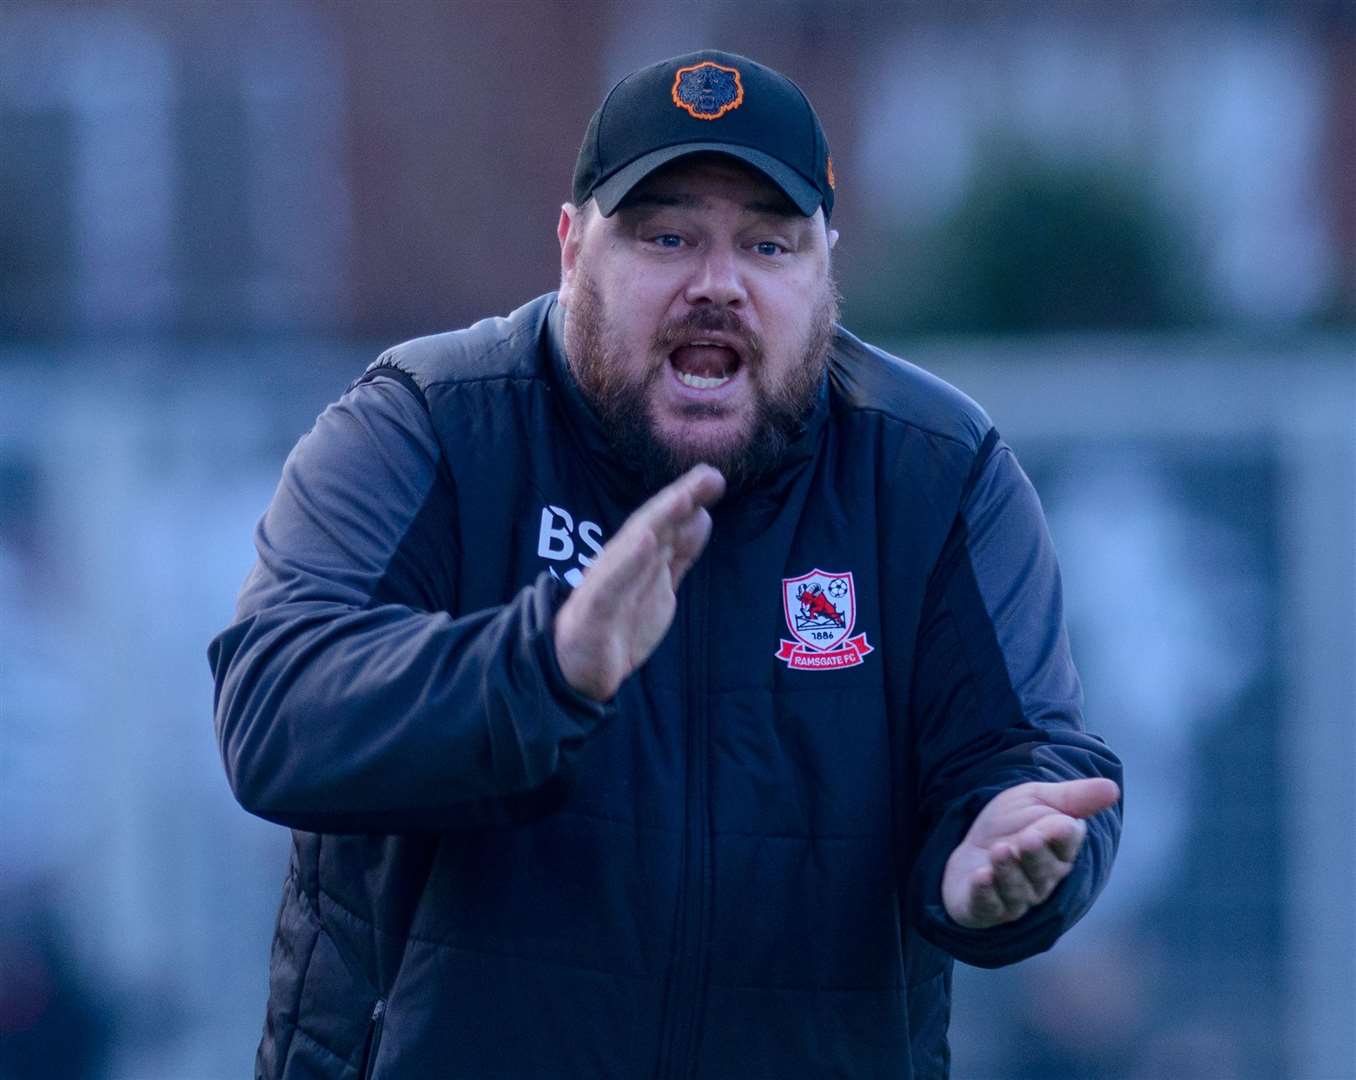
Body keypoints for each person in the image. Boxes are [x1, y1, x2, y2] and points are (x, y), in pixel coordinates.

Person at [209, 49, 1122, 1080]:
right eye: (666, 235)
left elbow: (1033, 762)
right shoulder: (429, 427)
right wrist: (543, 668)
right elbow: (276, 709)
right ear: (570, 250)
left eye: (769, 246)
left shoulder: (934, 474)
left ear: (828, 271)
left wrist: (1016, 858)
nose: (717, 284)